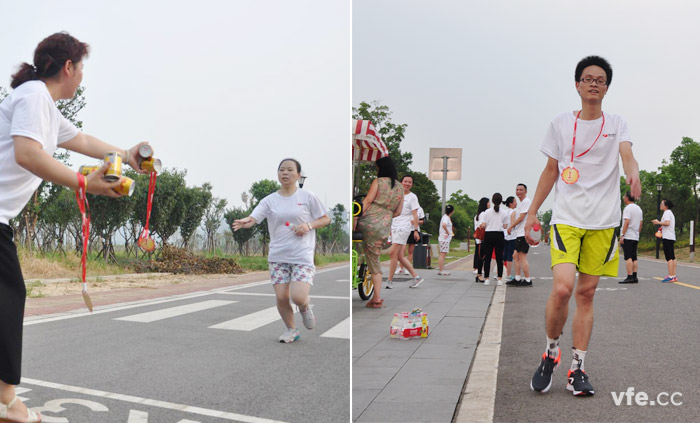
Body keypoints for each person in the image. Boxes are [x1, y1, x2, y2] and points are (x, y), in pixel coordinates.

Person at [0, 32, 150, 423]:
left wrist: (126, 155)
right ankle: (6, 402)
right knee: (8, 296)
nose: (82, 76)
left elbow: (80, 139)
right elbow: (27, 153)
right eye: (81, 68)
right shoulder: (34, 97)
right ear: (68, 67)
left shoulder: (43, 104)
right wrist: (84, 183)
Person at [526, 55, 640, 397]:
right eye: (588, 78)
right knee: (562, 289)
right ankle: (550, 351)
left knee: (586, 294)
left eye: (600, 80)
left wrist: (632, 171)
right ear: (577, 85)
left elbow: (626, 155)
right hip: (567, 218)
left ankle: (577, 369)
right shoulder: (561, 123)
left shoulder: (617, 122)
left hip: (604, 222)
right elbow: (550, 171)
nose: (594, 83)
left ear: (606, 88)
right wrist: (532, 211)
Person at [233, 158, 330, 343]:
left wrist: (308, 225)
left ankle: (304, 308)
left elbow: (325, 219)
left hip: (302, 254)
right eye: (281, 170)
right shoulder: (270, 200)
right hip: (278, 255)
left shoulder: (308, 197)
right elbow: (254, 218)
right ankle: (291, 329)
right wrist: (246, 221)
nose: (285, 173)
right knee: (282, 296)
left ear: (298, 175)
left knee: (298, 297)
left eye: (290, 170)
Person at [355, 156, 404, 308]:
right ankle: (375, 293)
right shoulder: (400, 188)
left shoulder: (378, 182)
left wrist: (357, 214)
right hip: (385, 224)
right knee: (374, 257)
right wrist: (386, 215)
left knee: (372, 260)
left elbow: (368, 201)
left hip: (369, 220)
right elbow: (399, 212)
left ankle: (376, 298)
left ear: (381, 169)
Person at [386, 174, 424, 289]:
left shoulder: (413, 197)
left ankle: (389, 281)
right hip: (394, 226)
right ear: (401, 182)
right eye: (405, 181)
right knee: (399, 256)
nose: (407, 184)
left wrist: (416, 230)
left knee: (392, 253)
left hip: (405, 227)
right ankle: (416, 277)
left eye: (410, 182)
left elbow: (415, 215)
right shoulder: (396, 194)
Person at [479, 193, 510, 286]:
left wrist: (482, 225)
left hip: (489, 235)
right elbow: (505, 226)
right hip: (499, 235)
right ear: (501, 201)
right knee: (499, 258)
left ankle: (487, 279)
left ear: (492, 201)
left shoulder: (487, 212)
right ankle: (499, 279)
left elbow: (483, 225)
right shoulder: (505, 212)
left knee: (487, 258)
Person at [507, 183, 532, 286]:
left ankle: (527, 280)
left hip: (523, 234)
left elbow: (522, 217)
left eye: (521, 190)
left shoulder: (526, 201)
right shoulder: (520, 204)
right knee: (515, 256)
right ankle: (517, 278)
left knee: (522, 257)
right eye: (517, 189)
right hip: (519, 234)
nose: (519, 191)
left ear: (525, 191)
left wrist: (511, 226)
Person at [619, 192, 643, 284]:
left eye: (624, 196)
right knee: (634, 257)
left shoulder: (628, 208)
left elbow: (627, 222)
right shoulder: (639, 209)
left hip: (628, 235)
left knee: (628, 256)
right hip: (635, 236)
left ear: (627, 198)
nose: (623, 198)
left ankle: (629, 276)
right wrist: (637, 232)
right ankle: (634, 276)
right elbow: (641, 223)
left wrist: (622, 234)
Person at [652, 199, 676, 282]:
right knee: (672, 257)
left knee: (669, 257)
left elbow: (667, 223)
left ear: (666, 205)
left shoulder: (667, 212)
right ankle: (673, 275)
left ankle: (670, 276)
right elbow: (666, 224)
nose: (660, 205)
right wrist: (660, 228)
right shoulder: (669, 212)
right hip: (671, 237)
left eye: (661, 204)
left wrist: (658, 222)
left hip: (667, 237)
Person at [398, 205, 424, 275]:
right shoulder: (405, 207)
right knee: (402, 249)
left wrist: (416, 222)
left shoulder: (420, 209)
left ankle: (408, 268)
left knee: (410, 250)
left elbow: (422, 221)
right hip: (405, 229)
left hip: (414, 230)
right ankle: (401, 267)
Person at [473, 197, 489, 282]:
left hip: (479, 239)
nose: (489, 204)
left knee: (481, 257)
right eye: (488, 202)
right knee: (482, 257)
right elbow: (481, 226)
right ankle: (479, 274)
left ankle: (479, 274)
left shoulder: (478, 215)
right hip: (482, 238)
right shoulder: (483, 214)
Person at [503, 196, 518, 282]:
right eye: (515, 201)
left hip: (505, 235)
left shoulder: (505, 212)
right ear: (511, 203)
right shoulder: (513, 212)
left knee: (503, 256)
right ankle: (508, 275)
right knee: (510, 256)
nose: (516, 203)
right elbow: (513, 224)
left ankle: (499, 273)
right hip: (512, 236)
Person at [438, 205, 455, 276]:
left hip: (444, 238)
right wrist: (448, 232)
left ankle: (441, 269)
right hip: (444, 238)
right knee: (442, 254)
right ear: (452, 211)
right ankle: (441, 270)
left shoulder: (445, 217)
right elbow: (444, 225)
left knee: (443, 253)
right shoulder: (446, 218)